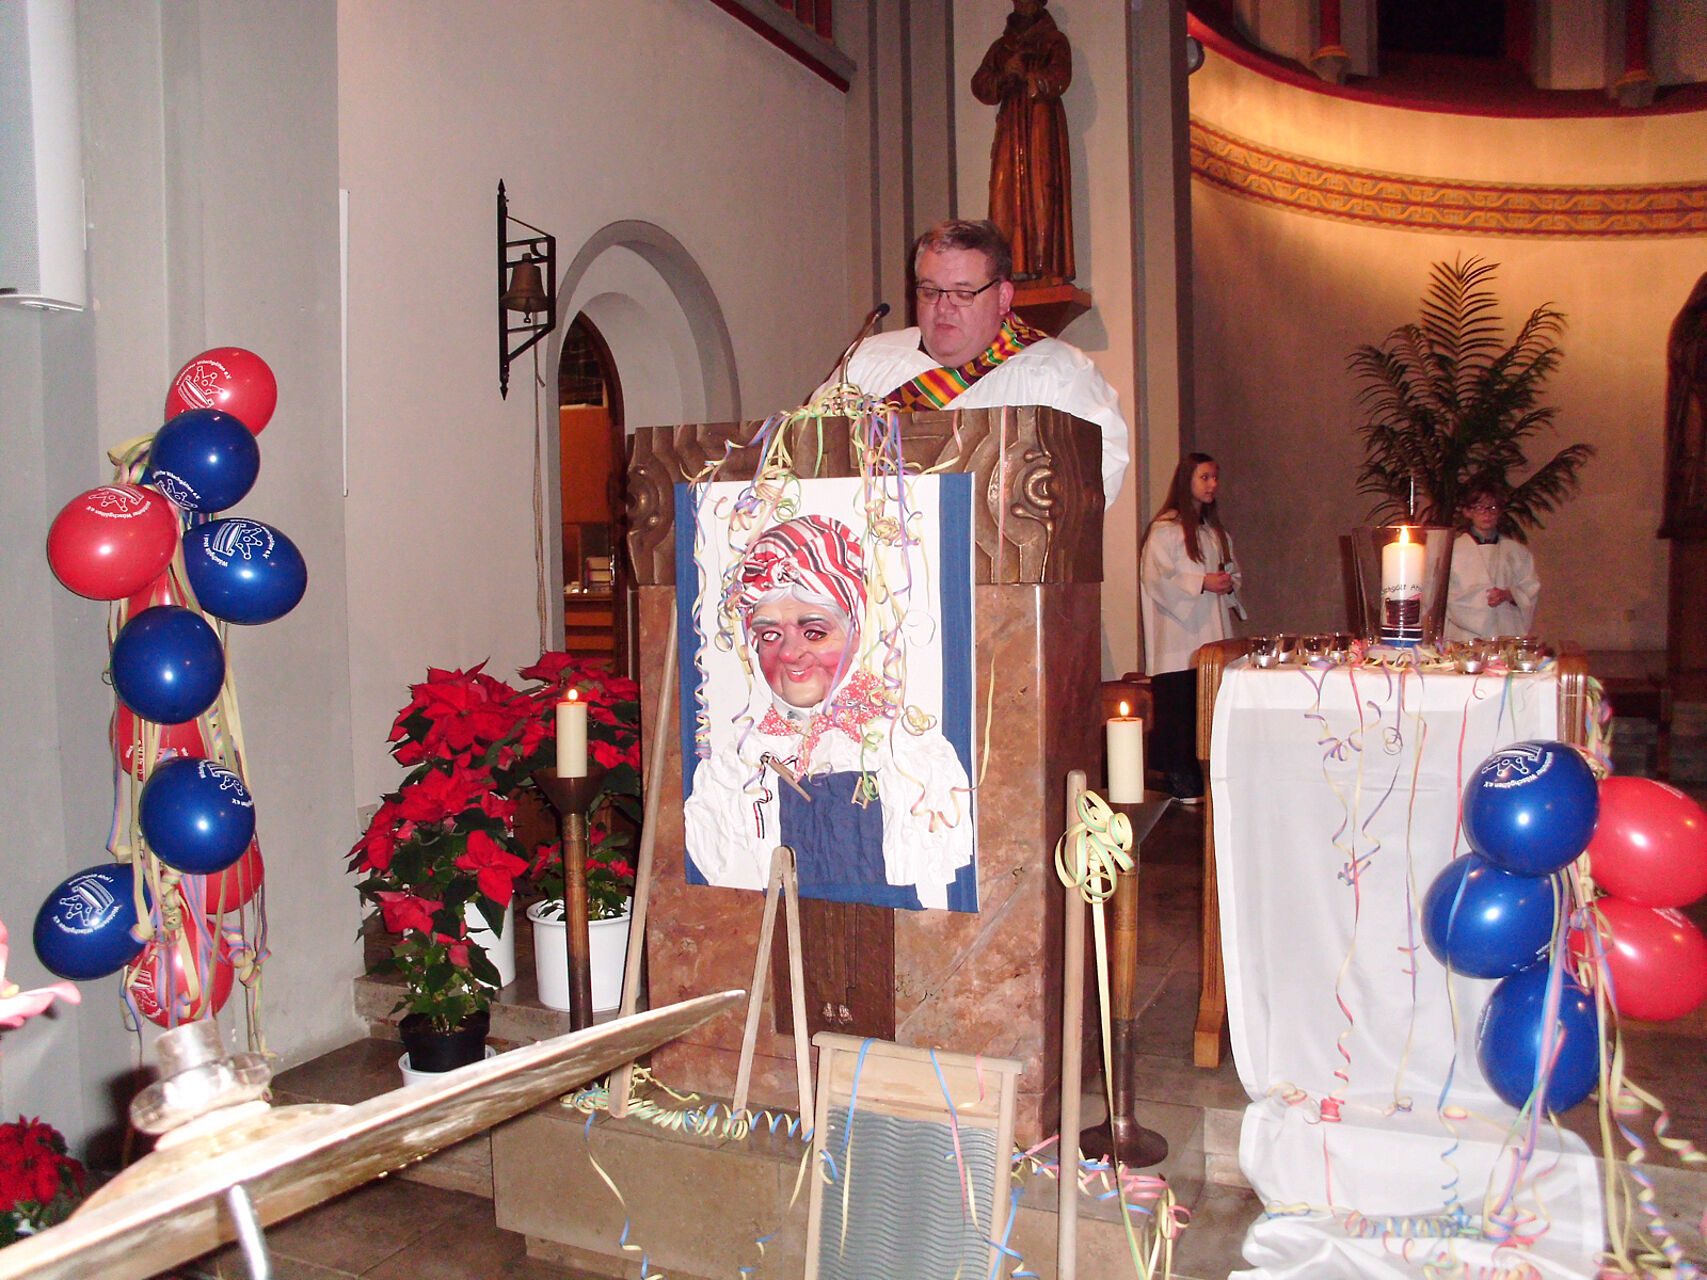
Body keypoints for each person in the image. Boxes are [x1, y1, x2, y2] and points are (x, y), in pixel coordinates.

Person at [681, 514, 975, 910]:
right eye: (770, 634)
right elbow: (725, 890)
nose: (790, 653)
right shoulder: (734, 768)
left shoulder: (911, 754)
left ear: (855, 633)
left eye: (815, 633)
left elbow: (937, 887)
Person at [822, 219, 1129, 507]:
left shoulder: (1058, 373)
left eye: (962, 293)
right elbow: (814, 451)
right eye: (929, 291)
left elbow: (1096, 477)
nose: (943, 308)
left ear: (1003, 297)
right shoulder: (866, 362)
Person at [1140, 453, 1242, 802]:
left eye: (1215, 477)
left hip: (1211, 632)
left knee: (1207, 714)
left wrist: (1227, 582)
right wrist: (1201, 582)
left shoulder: (1214, 533)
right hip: (1177, 640)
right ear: (1187, 480)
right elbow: (1156, 578)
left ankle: (1208, 786)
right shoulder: (1165, 531)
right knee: (1180, 716)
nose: (1213, 484)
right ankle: (1182, 787)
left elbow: (1232, 571)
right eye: (1205, 477)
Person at [972, 0, 1074, 284]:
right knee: (1004, 189)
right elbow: (980, 84)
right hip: (1010, 123)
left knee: (1043, 187)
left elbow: (1060, 76)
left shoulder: (1053, 41)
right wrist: (1006, 74)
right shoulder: (1002, 47)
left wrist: (1032, 79)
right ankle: (1010, 265)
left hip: (1041, 121)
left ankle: (1044, 265)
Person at [1445, 482, 1540, 641]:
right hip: (1464, 635)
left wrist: (1509, 595)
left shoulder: (1517, 552)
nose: (1487, 514)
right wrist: (1480, 603)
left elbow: (1530, 589)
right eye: (1479, 508)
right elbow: (1445, 596)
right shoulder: (1453, 551)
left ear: (1500, 511)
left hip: (1506, 630)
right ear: (1468, 512)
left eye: (1492, 508)